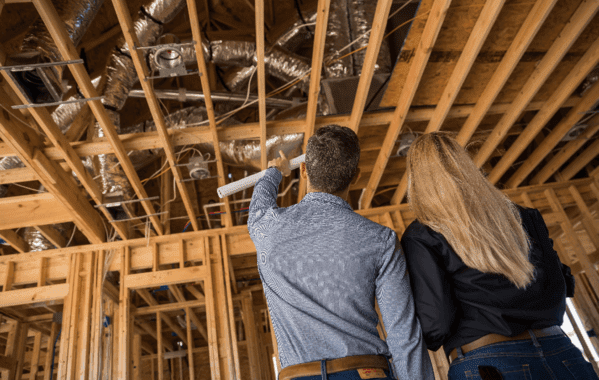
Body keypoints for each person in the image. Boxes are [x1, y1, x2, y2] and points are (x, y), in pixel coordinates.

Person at [400, 132, 598, 380]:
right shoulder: (524, 216)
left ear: (416, 180)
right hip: (561, 351)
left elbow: (436, 323)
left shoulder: (423, 234)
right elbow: (562, 284)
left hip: (489, 364)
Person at [248, 125, 434, 380]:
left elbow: (259, 204)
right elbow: (403, 333)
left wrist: (274, 172)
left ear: (303, 171)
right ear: (355, 176)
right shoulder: (381, 240)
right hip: (366, 372)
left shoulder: (266, 229)